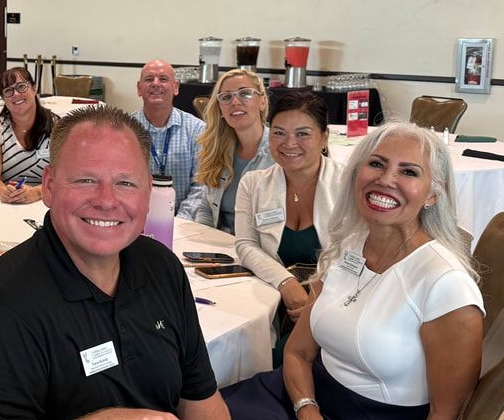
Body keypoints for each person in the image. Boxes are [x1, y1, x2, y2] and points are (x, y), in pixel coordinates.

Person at [0, 105, 379, 420]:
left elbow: (203, 403)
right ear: (50, 186)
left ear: (148, 193)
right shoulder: (8, 302)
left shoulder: (159, 267)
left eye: (126, 182)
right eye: (85, 180)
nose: (106, 199)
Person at [223, 124, 483, 420]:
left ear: (433, 194)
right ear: (356, 172)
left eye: (408, 172)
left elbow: (449, 413)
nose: (386, 180)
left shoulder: (445, 285)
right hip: (307, 402)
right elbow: (298, 351)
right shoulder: (349, 245)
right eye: (376, 164)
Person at [233, 91, 344, 366]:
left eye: (303, 134)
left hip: (335, 301)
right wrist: (286, 283)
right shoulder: (254, 184)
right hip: (273, 296)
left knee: (288, 359)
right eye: (279, 133)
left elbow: (354, 253)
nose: (289, 144)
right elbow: (246, 245)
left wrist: (315, 298)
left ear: (325, 137)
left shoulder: (347, 185)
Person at [193, 69, 274, 233]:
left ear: (262, 102)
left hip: (263, 248)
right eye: (226, 97)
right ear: (221, 109)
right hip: (219, 248)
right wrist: (201, 246)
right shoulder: (216, 149)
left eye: (245, 94)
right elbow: (205, 209)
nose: (235, 102)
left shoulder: (279, 153)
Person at [129, 59, 206, 218]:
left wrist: (178, 223)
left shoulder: (197, 129)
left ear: (176, 87)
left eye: (163, 79)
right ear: (139, 88)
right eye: (149, 79)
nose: (156, 84)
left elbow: (202, 186)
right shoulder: (126, 130)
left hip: (185, 223)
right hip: (136, 221)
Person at [0, 68, 53, 204]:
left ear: (34, 88)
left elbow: (66, 176)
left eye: (21, 87)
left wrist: (36, 192)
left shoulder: (56, 125)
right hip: (10, 202)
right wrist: (3, 191)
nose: (16, 94)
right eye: (8, 91)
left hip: (47, 198)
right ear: (3, 98)